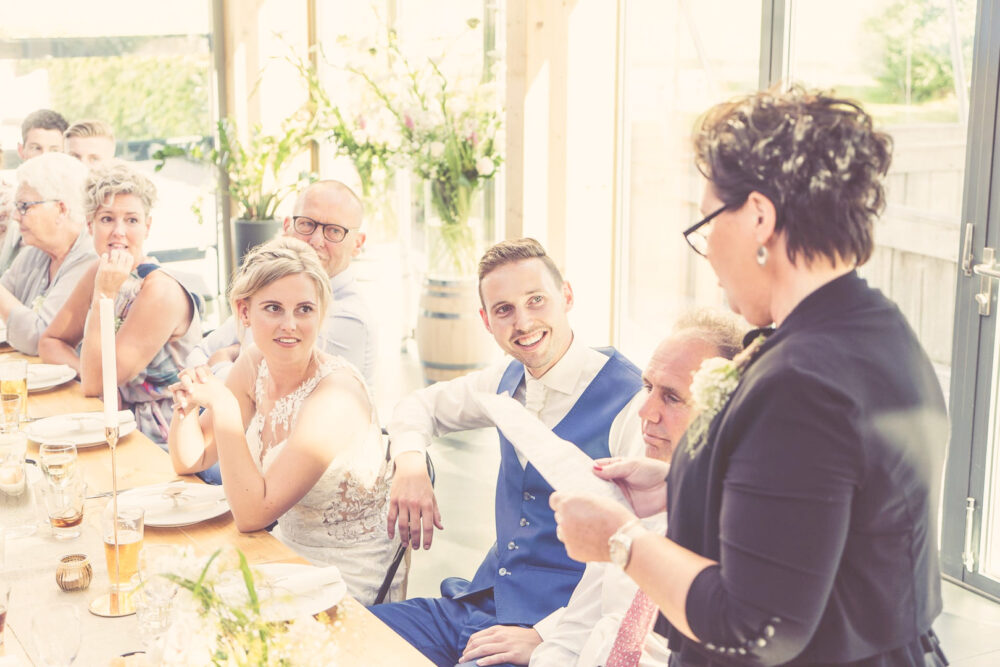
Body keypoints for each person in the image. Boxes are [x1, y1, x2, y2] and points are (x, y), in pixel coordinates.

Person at [551, 86, 949, 666]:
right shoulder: (873, 329)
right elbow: (820, 507)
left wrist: (621, 541)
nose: (707, 249)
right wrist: (682, 484)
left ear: (759, 217)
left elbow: (757, 627)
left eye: (709, 221)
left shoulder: (803, 383)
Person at [370, 238, 644, 667]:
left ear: (567, 296)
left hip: (557, 631)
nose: (523, 322)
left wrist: (546, 637)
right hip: (477, 606)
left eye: (536, 300)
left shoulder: (633, 402)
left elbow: (639, 554)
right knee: (337, 633)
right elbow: (418, 407)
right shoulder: (505, 379)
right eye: (504, 310)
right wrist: (410, 464)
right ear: (486, 320)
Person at [166, 237, 401, 605]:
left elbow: (251, 515)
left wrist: (224, 406)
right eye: (273, 308)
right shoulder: (254, 363)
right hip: (280, 551)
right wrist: (186, 402)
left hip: (344, 574)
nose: (290, 325)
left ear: (320, 313)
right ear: (244, 312)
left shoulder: (336, 395)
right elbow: (190, 459)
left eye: (304, 309)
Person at [530, 310, 744, 667]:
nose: (645, 411)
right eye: (648, 388)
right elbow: (578, 625)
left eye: (672, 398)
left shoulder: (738, 537)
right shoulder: (633, 495)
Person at [38, 161, 202, 444]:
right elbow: (50, 342)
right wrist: (86, 371)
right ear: (90, 225)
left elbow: (96, 384)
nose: (119, 231)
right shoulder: (98, 271)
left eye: (132, 220)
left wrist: (104, 295)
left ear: (147, 227)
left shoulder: (160, 290)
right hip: (107, 420)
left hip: (163, 437)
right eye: (107, 219)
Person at [186, 180, 376, 388]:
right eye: (307, 224)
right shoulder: (273, 287)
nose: (316, 240)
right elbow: (198, 353)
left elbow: (270, 394)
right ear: (287, 227)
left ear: (358, 243)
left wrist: (220, 361)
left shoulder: (349, 318)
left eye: (334, 231)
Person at [1, 153, 95, 354]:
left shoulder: (90, 260)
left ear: (61, 209)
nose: (16, 216)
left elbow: (40, 339)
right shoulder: (34, 252)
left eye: (24, 206)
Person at [2, 110, 70, 274]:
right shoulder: (6, 202)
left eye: (54, 150)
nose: (44, 157)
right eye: (36, 148)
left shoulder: (74, 208)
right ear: (21, 150)